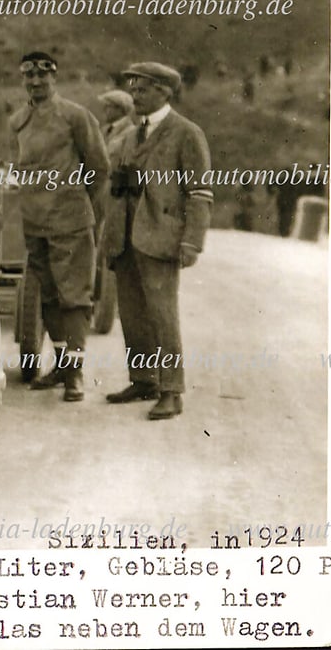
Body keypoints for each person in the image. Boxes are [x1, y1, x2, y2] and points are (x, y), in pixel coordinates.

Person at [103, 62, 212, 420]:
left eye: (143, 89)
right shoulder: (132, 134)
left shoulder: (186, 133)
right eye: (132, 89)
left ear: (164, 91)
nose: (135, 95)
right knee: (132, 312)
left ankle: (172, 391)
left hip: (161, 237)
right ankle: (144, 379)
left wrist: (192, 242)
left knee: (163, 315)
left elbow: (199, 193)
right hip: (125, 237)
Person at [8, 51, 109, 401]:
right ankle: (63, 364)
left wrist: (82, 208)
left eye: (43, 76)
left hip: (70, 219)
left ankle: (75, 374)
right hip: (35, 222)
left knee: (74, 295)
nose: (35, 82)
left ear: (54, 78)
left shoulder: (75, 116)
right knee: (48, 295)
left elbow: (98, 166)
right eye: (29, 76)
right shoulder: (18, 120)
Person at [98, 89, 135, 158]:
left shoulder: (131, 132)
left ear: (120, 108)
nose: (104, 109)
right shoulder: (104, 129)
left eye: (107, 106)